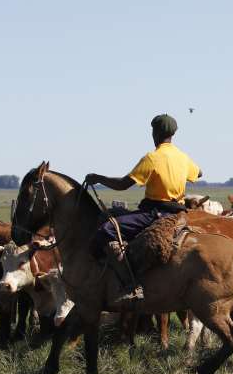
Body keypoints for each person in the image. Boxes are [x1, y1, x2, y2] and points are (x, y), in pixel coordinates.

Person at [86, 114, 202, 302]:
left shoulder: (152, 157)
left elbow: (123, 184)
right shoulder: (182, 157)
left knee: (107, 229)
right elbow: (199, 172)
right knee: (115, 215)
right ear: (172, 134)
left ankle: (130, 284)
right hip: (178, 212)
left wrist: (98, 178)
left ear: (155, 133)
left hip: (155, 213)